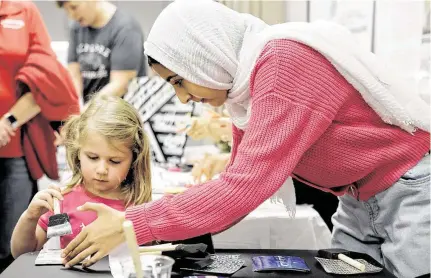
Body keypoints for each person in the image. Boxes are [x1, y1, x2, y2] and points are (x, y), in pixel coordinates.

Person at [61, 1, 430, 277]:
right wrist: (150, 225)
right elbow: (233, 185)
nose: (183, 98)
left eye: (178, 81)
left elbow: (243, 188)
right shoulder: (244, 92)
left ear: (200, 55)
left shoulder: (284, 61)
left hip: (411, 190)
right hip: (358, 196)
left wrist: (134, 224)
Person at [10, 96, 152, 259]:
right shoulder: (63, 204)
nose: (101, 170)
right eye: (92, 157)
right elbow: (24, 252)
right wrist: (30, 217)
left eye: (114, 161)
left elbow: (149, 257)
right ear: (78, 153)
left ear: (134, 159)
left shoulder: (138, 205)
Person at [0, 0, 79, 273]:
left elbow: (47, 78)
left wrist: (7, 121)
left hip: (13, 151)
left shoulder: (23, 11)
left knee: (10, 246)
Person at [57, 0, 146, 103]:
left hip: (120, 112)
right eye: (67, 10)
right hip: (90, 111)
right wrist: (75, 106)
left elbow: (120, 85)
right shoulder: (77, 27)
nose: (71, 16)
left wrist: (86, 112)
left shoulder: (126, 28)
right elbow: (74, 73)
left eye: (74, 7)